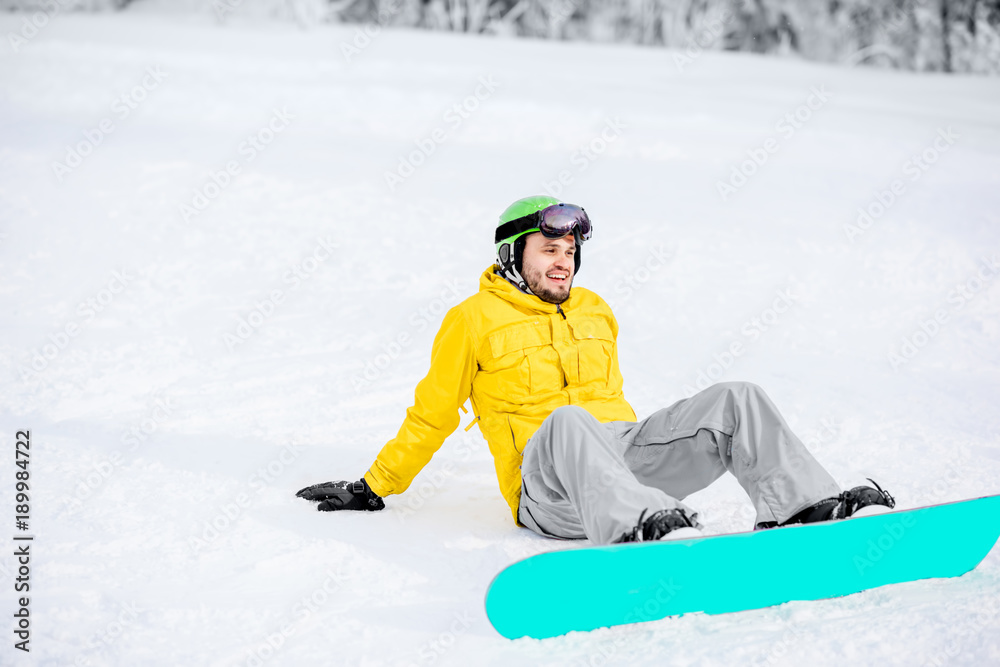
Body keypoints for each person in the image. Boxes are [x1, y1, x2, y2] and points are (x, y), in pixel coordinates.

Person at [296, 195, 894, 544]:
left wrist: (639, 460)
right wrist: (372, 487)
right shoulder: (471, 319)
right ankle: (644, 535)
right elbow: (432, 415)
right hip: (549, 489)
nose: (564, 263)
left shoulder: (595, 309)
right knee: (566, 420)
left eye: (570, 252)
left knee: (737, 397)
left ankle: (805, 512)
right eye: (549, 249)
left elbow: (616, 408)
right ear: (512, 256)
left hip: (622, 464)